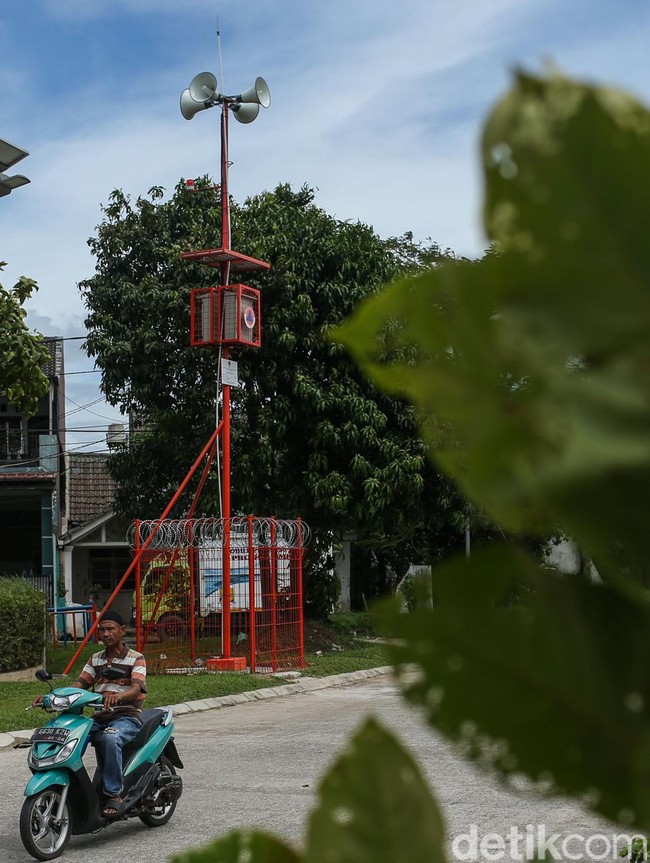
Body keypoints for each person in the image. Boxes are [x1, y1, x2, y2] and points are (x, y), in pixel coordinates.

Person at [33, 609, 147, 818]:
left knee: (110, 738)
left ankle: (114, 794)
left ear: (122, 631)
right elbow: (80, 685)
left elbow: (137, 688)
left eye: (110, 629)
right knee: (68, 736)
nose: (105, 633)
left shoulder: (135, 658)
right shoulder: (95, 659)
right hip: (99, 717)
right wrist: (51, 696)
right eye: (101, 629)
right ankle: (64, 782)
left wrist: (118, 697)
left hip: (126, 717)